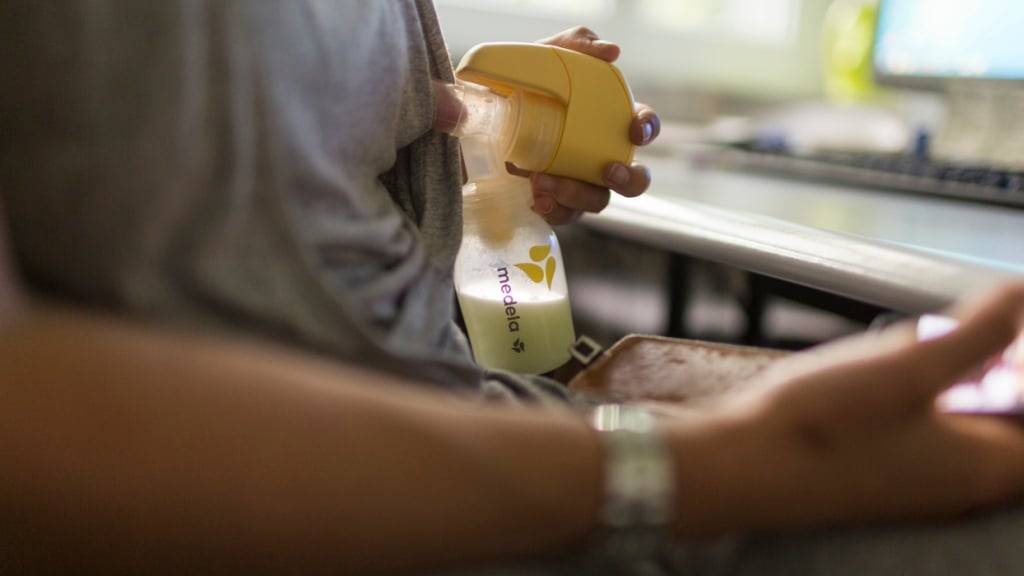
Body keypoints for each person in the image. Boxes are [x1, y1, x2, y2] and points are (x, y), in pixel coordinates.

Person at [3, 1, 1024, 574]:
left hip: (518, 425)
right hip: (381, 511)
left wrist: (483, 165)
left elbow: (294, 211)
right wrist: (711, 468)